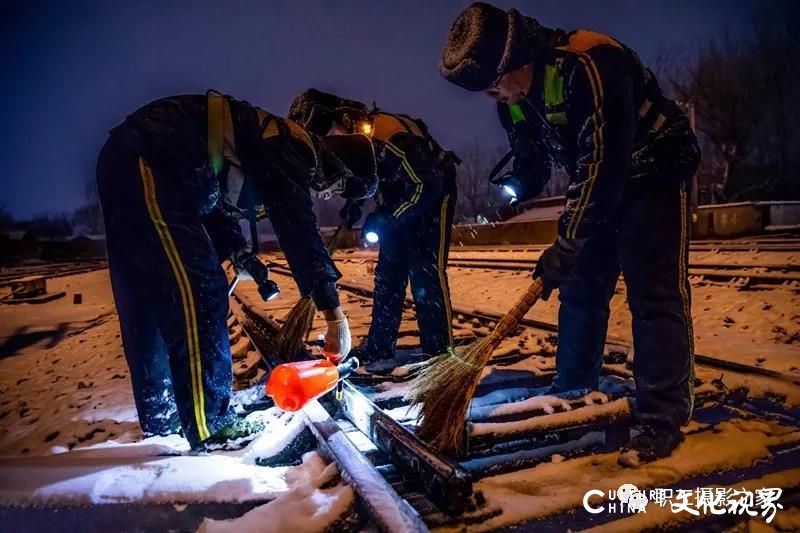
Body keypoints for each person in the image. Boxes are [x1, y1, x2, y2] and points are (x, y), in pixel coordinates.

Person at [439, 3, 701, 465]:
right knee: (580, 290)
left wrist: (567, 241)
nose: (493, 96)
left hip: (653, 171)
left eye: (494, 84)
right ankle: (575, 386)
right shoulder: (514, 101)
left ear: (515, 58)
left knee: (654, 296)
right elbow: (535, 158)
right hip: (604, 184)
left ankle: (661, 415)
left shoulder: (591, 63)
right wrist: (521, 183)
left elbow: (602, 163)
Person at [97, 91, 376, 450]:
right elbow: (298, 230)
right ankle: (211, 425)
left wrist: (238, 253)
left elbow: (212, 201)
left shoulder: (261, 142)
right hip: (150, 159)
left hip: (135, 160)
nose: (327, 195)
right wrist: (333, 313)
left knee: (150, 297)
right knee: (201, 292)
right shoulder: (294, 145)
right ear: (340, 168)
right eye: (337, 189)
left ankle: (162, 421)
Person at [288, 89, 460, 365]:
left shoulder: (388, 136)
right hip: (397, 199)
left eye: (331, 137)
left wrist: (388, 218)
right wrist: (355, 204)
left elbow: (426, 186)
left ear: (343, 121)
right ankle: (380, 346)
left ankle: (439, 353)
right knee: (388, 274)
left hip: (432, 194)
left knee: (425, 272)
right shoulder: (355, 145)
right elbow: (370, 181)